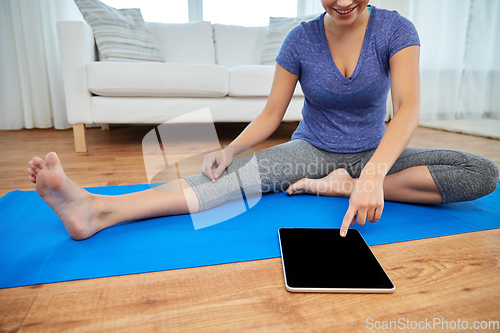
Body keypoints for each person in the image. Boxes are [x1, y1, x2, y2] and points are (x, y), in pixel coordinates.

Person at [28, 0, 498, 241]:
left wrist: (371, 174)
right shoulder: (299, 39)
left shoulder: (397, 30)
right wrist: (230, 150)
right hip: (309, 151)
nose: (341, 1)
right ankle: (98, 211)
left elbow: (409, 108)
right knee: (232, 182)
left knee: (482, 173)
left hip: (376, 154)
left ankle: (338, 185)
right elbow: (272, 114)